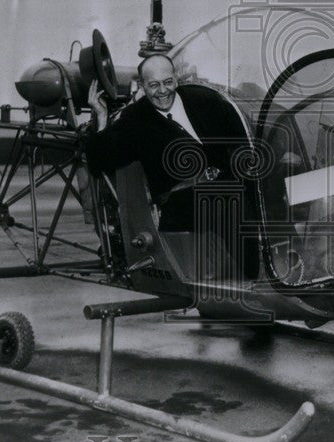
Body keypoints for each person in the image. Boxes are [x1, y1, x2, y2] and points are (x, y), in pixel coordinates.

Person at [84, 54, 258, 278]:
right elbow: (100, 162)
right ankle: (255, 280)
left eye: (167, 82)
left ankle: (300, 263)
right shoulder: (135, 119)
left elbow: (243, 142)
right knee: (227, 202)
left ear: (176, 79)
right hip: (179, 200)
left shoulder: (205, 100)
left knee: (272, 186)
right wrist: (101, 117)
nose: (162, 91)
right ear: (143, 86)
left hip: (225, 184)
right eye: (154, 85)